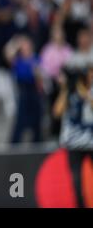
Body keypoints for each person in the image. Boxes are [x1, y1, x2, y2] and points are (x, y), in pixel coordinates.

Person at [53, 62, 93, 208]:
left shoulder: (89, 91)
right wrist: (66, 89)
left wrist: (85, 93)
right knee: (76, 180)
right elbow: (57, 112)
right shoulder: (69, 92)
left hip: (91, 142)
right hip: (74, 144)